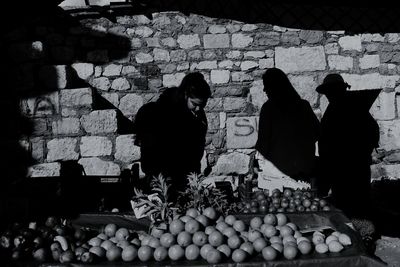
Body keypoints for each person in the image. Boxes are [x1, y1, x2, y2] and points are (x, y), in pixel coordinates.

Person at [133, 72, 211, 202]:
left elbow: (196, 149)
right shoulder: (163, 112)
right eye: (194, 104)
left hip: (185, 178)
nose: (198, 109)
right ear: (186, 95)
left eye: (202, 105)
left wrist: (194, 177)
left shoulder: (198, 117)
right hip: (163, 177)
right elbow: (153, 149)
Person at [316, 73, 380, 217]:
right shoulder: (341, 108)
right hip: (347, 166)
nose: (328, 95)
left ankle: (364, 234)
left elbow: (373, 131)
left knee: (355, 203)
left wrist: (363, 151)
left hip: (350, 166)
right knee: (353, 203)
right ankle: (360, 234)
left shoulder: (352, 108)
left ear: (340, 89)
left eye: (330, 91)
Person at [255, 68, 320, 184]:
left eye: (267, 86)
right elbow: (317, 134)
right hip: (302, 171)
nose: (264, 90)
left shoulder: (268, 109)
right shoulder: (303, 106)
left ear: (275, 86)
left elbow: (263, 142)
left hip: (277, 173)